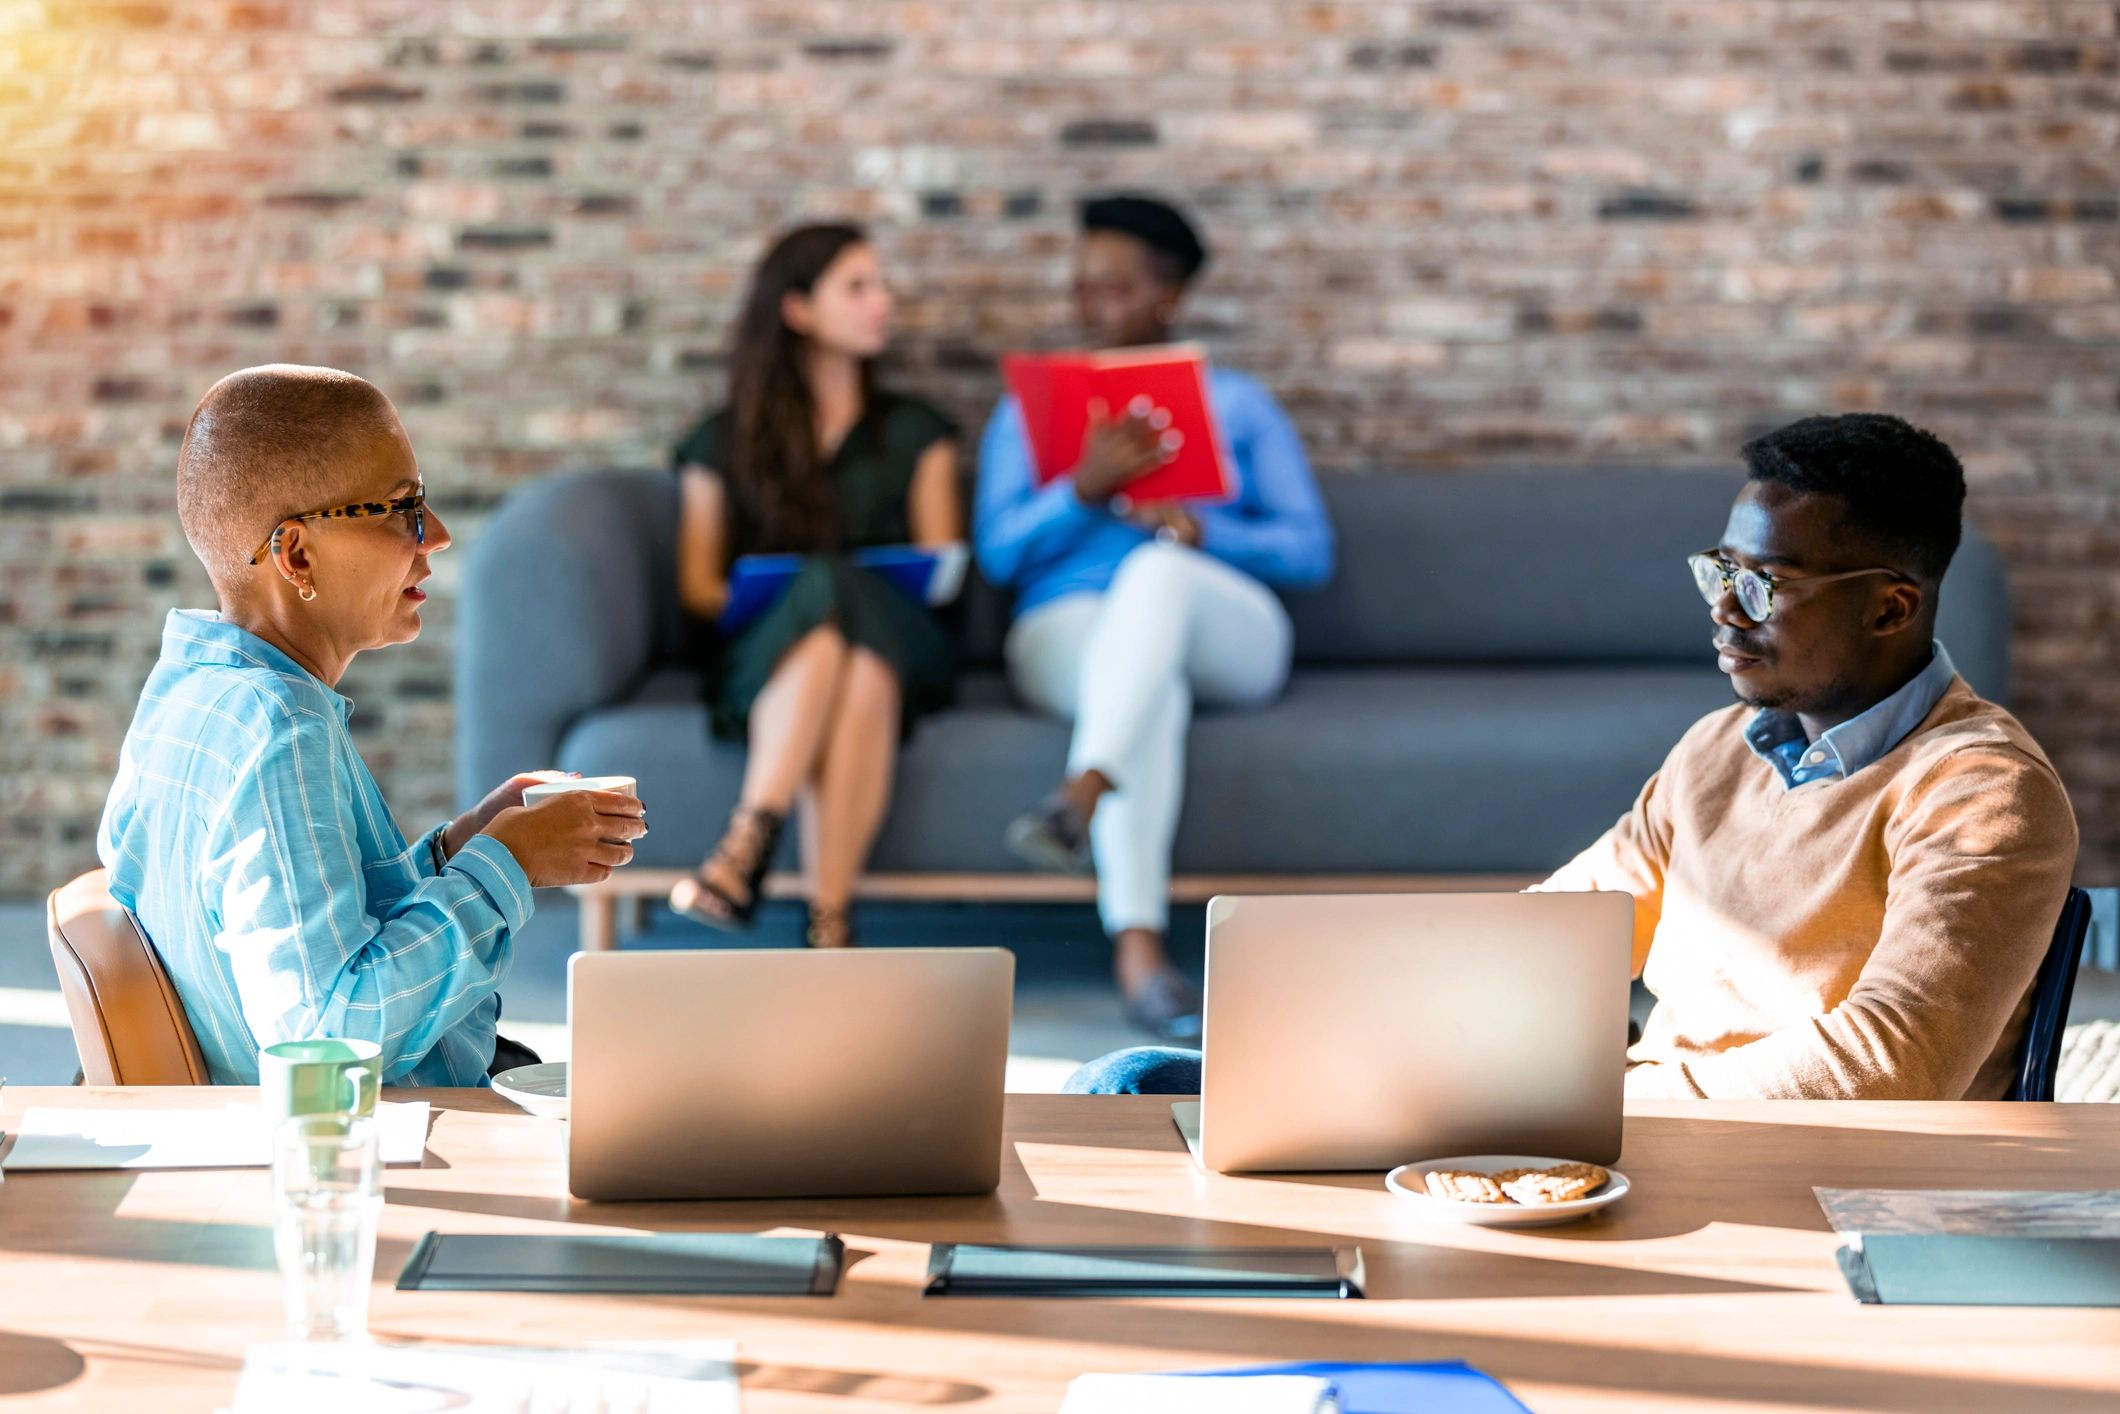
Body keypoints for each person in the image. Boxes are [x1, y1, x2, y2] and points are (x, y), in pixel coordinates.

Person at [1070, 413, 2078, 1100]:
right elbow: (1555, 934)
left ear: (1889, 604)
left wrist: (1623, 1096)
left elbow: (1890, 1063)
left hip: (1824, 1188)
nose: (1722, 611)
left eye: (1761, 585)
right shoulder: (1719, 749)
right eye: (1717, 570)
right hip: (1660, 1143)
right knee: (1138, 1083)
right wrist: (1323, 1021)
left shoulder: (1980, 789)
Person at [98, 365, 646, 1086]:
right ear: (295, 555)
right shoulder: (279, 732)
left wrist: (459, 849)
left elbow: (309, 928)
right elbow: (327, 1040)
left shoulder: (192, 692)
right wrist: (503, 867)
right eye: (401, 508)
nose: (438, 536)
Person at [976, 194, 1334, 1040]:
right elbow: (996, 555)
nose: (1088, 303)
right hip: (1067, 632)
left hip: (1223, 625)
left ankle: (1082, 788)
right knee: (1152, 696)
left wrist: (1196, 528)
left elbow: (1309, 552)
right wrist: (1082, 492)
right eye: (1081, 286)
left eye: (1113, 287)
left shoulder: (1240, 404)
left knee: (1158, 569)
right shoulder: (1028, 411)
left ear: (1168, 296)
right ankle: (1140, 954)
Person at [666, 223, 962, 948]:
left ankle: (746, 842)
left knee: (841, 594)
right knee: (847, 652)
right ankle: (831, 924)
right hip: (771, 657)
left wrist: (824, 593)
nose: (881, 302)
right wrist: (790, 604)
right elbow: (700, 586)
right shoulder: (723, 439)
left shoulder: (919, 432)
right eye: (858, 287)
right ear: (798, 310)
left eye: (880, 284)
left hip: (905, 637)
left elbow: (942, 572)